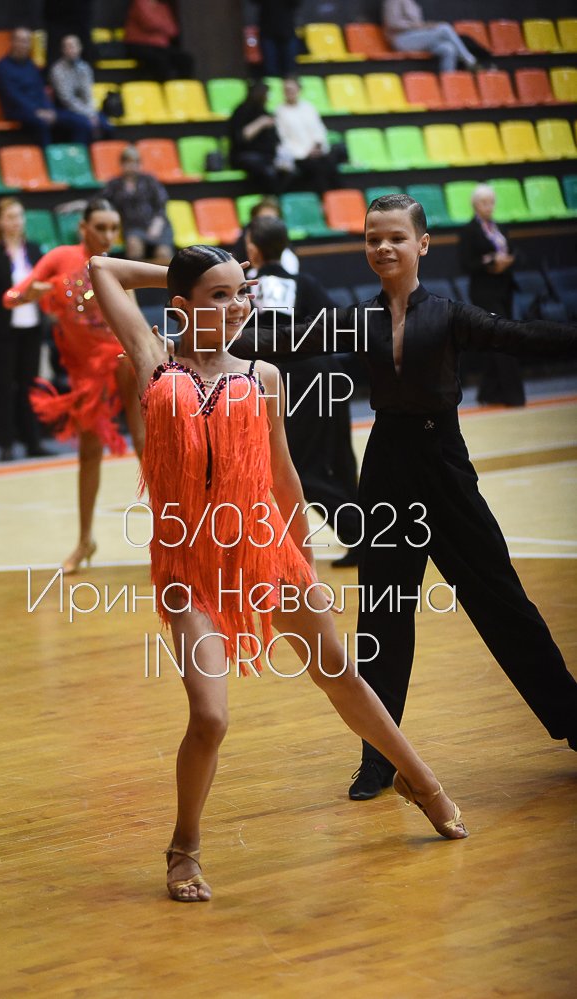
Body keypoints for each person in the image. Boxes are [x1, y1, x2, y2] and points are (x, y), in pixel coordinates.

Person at [89, 242, 468, 903]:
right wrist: (179, 273)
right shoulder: (153, 359)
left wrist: (307, 561)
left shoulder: (263, 374)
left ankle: (421, 780)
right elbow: (102, 270)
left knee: (341, 674)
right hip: (189, 564)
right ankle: (184, 845)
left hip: (266, 550)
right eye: (219, 295)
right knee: (210, 717)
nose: (237, 305)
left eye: (242, 292)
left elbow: (285, 476)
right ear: (180, 306)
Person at [229, 192, 577, 800]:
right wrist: (192, 336)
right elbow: (285, 339)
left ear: (422, 244)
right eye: (373, 238)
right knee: (383, 616)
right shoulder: (357, 317)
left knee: (503, 603)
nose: (383, 247)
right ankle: (379, 758)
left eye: (395, 237)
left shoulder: (449, 314)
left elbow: (523, 336)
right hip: (387, 469)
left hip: (444, 467)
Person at [3, 199, 144, 573]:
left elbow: (135, 322)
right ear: (83, 228)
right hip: (86, 371)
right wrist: (32, 293)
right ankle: (85, 541)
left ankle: (171, 539)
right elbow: (10, 297)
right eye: (101, 227)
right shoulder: (61, 257)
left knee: (145, 443)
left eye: (114, 228)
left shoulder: (116, 266)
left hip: (120, 357)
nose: (109, 235)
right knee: (89, 452)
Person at [246, 214, 361, 568]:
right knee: (340, 458)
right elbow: (338, 324)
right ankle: (364, 540)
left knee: (299, 468)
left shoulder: (247, 289)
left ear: (253, 249)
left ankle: (361, 533)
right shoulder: (305, 282)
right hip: (331, 374)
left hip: (294, 382)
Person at [0, 198, 50, 463]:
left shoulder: (34, 249)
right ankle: (5, 444)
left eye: (19, 216)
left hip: (31, 326)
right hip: (2, 329)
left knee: (30, 385)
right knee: (4, 386)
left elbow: (45, 283)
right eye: (10, 217)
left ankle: (33, 441)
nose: (16, 221)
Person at [459, 184, 525, 407]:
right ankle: (514, 396)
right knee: (502, 337)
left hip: (504, 287)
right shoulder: (469, 231)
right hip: (484, 291)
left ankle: (488, 393)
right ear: (475, 205)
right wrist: (489, 262)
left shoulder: (500, 227)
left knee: (496, 339)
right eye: (484, 202)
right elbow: (465, 263)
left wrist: (508, 261)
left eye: (491, 202)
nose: (489, 206)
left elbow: (515, 252)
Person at [0, 26, 95, 147]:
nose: (23, 45)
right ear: (12, 42)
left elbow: (41, 91)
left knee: (81, 122)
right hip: (18, 111)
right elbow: (12, 95)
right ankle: (46, 156)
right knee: (41, 123)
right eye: (20, 40)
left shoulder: (31, 65)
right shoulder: (3, 67)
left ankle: (76, 155)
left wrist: (49, 109)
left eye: (26, 41)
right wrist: (36, 111)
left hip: (41, 110)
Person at [102, 145, 174, 264]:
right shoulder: (115, 184)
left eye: (134, 162)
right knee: (133, 244)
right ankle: (137, 275)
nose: (131, 166)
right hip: (132, 227)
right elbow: (100, 200)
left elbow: (161, 204)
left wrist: (157, 224)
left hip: (157, 225)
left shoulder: (149, 180)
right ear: (121, 164)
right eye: (127, 162)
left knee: (163, 253)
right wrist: (78, 205)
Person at [274, 78, 339, 195]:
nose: (289, 92)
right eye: (286, 90)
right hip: (298, 154)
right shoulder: (280, 111)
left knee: (331, 162)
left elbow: (319, 130)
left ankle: (338, 197)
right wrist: (305, 152)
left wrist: (318, 145)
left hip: (317, 151)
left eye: (292, 89)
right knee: (317, 168)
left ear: (299, 89)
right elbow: (283, 138)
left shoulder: (309, 107)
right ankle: (325, 198)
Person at [229, 81, 293, 196]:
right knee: (267, 172)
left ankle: (276, 199)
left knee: (288, 171)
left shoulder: (265, 112)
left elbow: (276, 139)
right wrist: (260, 123)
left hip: (267, 156)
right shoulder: (242, 111)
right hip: (246, 155)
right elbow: (241, 137)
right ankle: (269, 198)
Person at [48, 34, 113, 142]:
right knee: (84, 125)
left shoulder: (85, 68)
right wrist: (89, 115)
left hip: (85, 109)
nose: (71, 50)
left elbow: (88, 95)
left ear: (80, 48)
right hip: (63, 110)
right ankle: (80, 152)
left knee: (107, 125)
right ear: (62, 50)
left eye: (74, 46)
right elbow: (67, 99)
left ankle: (103, 152)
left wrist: (92, 114)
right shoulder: (57, 70)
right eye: (68, 46)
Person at [382, 0, 478, 73]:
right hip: (401, 40)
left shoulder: (411, 2)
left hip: (416, 38)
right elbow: (392, 23)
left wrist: (427, 26)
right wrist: (419, 26)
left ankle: (447, 82)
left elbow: (417, 24)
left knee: (449, 48)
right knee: (444, 28)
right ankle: (469, 60)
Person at [123, 0, 194, 81]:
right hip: (139, 44)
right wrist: (163, 27)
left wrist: (161, 27)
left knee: (185, 59)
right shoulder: (141, 2)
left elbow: (173, 30)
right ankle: (163, 85)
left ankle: (181, 86)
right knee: (160, 61)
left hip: (160, 46)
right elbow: (149, 23)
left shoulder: (162, 6)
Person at [252, 0, 301, 78]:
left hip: (286, 31)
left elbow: (296, 3)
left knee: (290, 70)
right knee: (271, 70)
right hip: (267, 32)